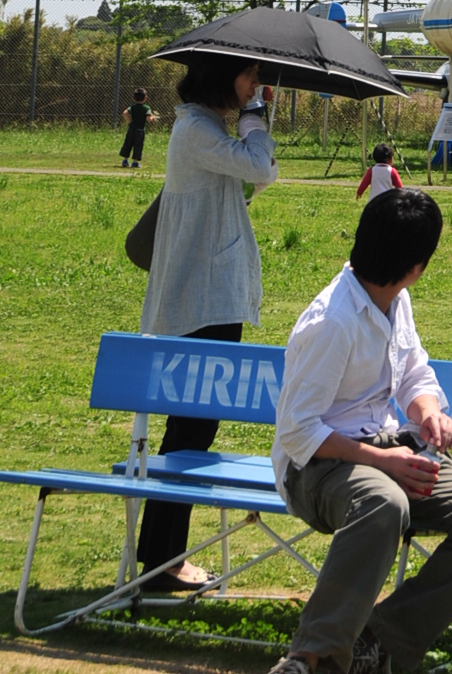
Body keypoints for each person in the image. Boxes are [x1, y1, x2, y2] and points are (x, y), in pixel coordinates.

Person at [268, 187, 452, 674]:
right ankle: (311, 658)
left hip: (387, 449)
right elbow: (298, 432)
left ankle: (377, 644)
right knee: (385, 501)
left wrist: (427, 414)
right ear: (416, 267)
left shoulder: (392, 300)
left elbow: (412, 372)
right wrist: (384, 461)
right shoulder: (333, 322)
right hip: (317, 469)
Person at [135, 54, 278, 590]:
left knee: (192, 432)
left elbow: (256, 178)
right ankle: (163, 561)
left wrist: (252, 136)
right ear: (223, 79)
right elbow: (260, 167)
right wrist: (256, 121)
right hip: (202, 302)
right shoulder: (196, 129)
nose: (257, 86)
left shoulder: (206, 130)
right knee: (188, 435)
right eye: (250, 78)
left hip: (210, 298)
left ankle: (162, 556)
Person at [119, 87, 156, 168]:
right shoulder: (146, 108)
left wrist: (130, 121)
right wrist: (153, 117)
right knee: (138, 145)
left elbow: (125, 113)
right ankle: (135, 162)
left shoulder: (132, 107)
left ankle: (125, 160)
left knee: (128, 143)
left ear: (134, 97)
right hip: (140, 130)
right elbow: (149, 119)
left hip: (131, 129)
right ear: (145, 98)